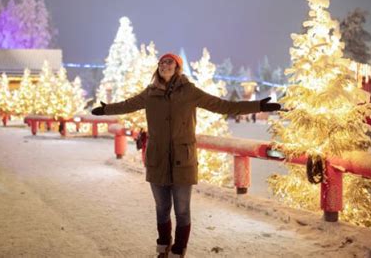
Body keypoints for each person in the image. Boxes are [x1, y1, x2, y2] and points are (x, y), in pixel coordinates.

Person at [92, 53, 281, 257]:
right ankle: (163, 246)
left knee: (182, 210)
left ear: (177, 67)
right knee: (162, 207)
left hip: (183, 159)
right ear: (158, 67)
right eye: (162, 62)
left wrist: (258, 106)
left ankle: (178, 250)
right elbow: (127, 105)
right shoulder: (150, 93)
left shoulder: (189, 91)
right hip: (158, 160)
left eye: (169, 62)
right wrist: (106, 110)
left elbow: (223, 106)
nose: (165, 65)